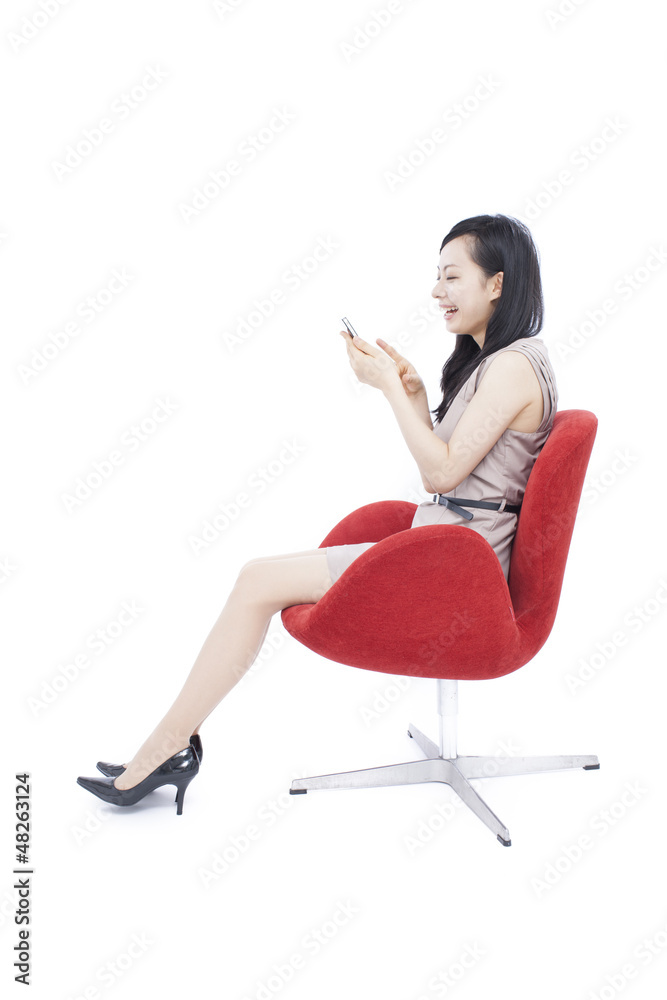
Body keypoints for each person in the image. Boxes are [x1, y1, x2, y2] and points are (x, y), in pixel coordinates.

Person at [77, 212, 557, 814]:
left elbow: (441, 475)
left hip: (457, 571)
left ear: (497, 283)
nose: (437, 291)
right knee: (257, 579)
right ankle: (167, 747)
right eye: (437, 276)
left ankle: (165, 749)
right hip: (444, 553)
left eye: (452, 276)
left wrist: (388, 390)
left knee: (256, 580)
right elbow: (452, 466)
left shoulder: (512, 366)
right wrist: (412, 394)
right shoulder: (500, 362)